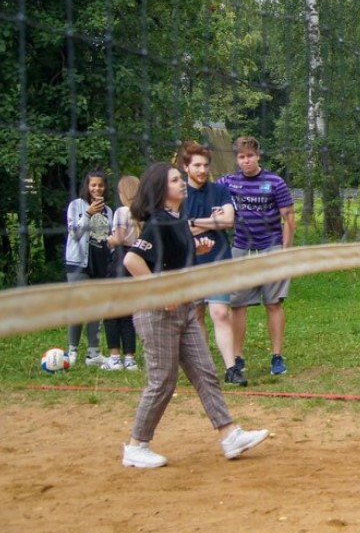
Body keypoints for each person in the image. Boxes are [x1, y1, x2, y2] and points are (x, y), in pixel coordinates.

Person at [120, 162, 269, 469]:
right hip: (156, 312)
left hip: (185, 308)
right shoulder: (160, 222)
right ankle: (136, 445)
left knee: (205, 372)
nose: (182, 183)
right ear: (162, 191)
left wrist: (194, 254)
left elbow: (171, 258)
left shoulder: (177, 219)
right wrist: (161, 293)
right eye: (175, 180)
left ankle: (230, 435)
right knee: (163, 381)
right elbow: (133, 260)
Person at [219, 136, 295, 378]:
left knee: (273, 303)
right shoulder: (228, 182)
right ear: (237, 159)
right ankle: (238, 357)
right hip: (241, 249)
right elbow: (205, 190)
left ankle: (277, 356)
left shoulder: (274, 181)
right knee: (237, 305)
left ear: (258, 155)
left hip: (271, 248)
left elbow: (289, 218)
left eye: (250, 156)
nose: (246, 160)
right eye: (241, 157)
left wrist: (285, 250)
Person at [180, 140, 245, 386]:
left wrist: (195, 223)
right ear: (186, 167)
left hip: (218, 261)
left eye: (206, 165)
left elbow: (228, 221)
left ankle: (231, 369)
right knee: (195, 316)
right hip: (189, 264)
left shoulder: (219, 190)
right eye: (197, 165)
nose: (202, 170)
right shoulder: (178, 194)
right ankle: (204, 369)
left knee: (220, 313)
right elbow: (180, 231)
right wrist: (210, 221)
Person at [65, 169, 113, 367]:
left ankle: (93, 354)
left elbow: (108, 238)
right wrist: (88, 213)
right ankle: (72, 351)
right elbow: (74, 234)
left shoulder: (109, 211)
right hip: (78, 264)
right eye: (93, 185)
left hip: (100, 264)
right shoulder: (76, 205)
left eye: (100, 185)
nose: (97, 188)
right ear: (87, 186)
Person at [102, 175, 140, 371]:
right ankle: (130, 358)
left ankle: (114, 357)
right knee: (128, 312)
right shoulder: (143, 212)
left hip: (120, 259)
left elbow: (119, 238)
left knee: (110, 311)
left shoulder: (122, 212)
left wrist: (106, 240)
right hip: (137, 259)